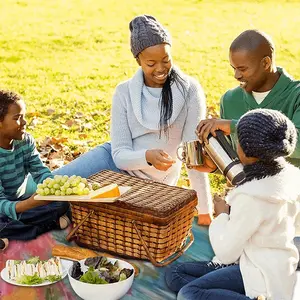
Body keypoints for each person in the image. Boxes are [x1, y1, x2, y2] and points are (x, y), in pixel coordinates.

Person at [53, 15, 213, 225]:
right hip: (112, 163)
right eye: (151, 63)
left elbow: (193, 155)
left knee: (76, 208)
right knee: (49, 189)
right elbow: (119, 155)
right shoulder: (125, 92)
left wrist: (204, 211)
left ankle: (62, 216)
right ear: (138, 60)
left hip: (149, 186)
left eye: (166, 60)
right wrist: (147, 156)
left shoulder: (190, 90)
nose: (160, 69)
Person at [165, 109, 300, 300]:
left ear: (245, 150)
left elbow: (225, 252)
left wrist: (222, 215)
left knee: (188, 293)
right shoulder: (291, 178)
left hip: (260, 276)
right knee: (175, 274)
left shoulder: (251, 197)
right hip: (273, 266)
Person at [195, 29, 300, 263]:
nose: (236, 75)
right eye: (233, 68)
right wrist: (216, 165)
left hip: (290, 208)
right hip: (248, 203)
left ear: (266, 62)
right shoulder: (230, 100)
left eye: (242, 69)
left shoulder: (296, 95)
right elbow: (243, 160)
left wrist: (234, 126)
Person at [0, 90, 71, 246]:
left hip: (21, 203)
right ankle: (47, 225)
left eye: (24, 116)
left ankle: (12, 233)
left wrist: (53, 188)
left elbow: (40, 171)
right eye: (17, 118)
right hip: (5, 208)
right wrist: (31, 204)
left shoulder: (25, 141)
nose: (25, 122)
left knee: (63, 203)